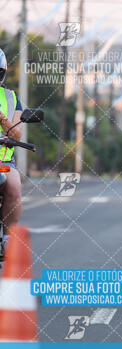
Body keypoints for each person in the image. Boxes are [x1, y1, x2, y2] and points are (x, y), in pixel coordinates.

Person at [0, 49, 24, 254]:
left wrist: (1, 118)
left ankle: (7, 238)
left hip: (3, 163)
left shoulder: (10, 97)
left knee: (14, 187)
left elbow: (17, 135)